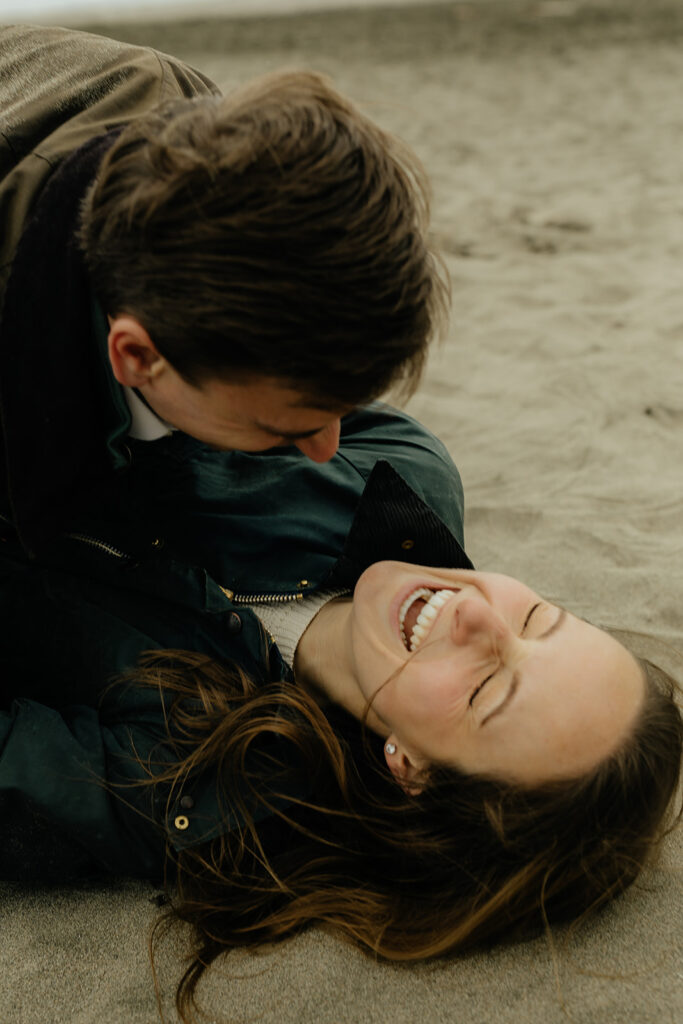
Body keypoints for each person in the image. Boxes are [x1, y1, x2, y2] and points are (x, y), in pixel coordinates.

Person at [0, 403, 680, 1024]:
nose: (477, 613)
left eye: (486, 692)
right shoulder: (399, 473)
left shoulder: (190, 783)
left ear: (411, 769)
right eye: (537, 618)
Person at [0, 25, 447, 556]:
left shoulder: (215, 139)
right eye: (279, 428)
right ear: (137, 356)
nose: (327, 447)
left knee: (417, 482)